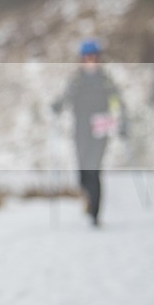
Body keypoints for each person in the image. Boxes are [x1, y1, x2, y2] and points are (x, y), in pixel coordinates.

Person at [52, 39, 127, 227]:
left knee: (94, 169)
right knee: (83, 172)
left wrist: (121, 122)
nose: (90, 60)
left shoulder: (106, 80)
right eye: (86, 57)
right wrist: (57, 106)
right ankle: (88, 199)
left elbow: (117, 102)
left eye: (93, 56)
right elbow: (66, 98)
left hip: (100, 129)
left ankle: (95, 212)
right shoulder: (76, 80)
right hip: (81, 129)